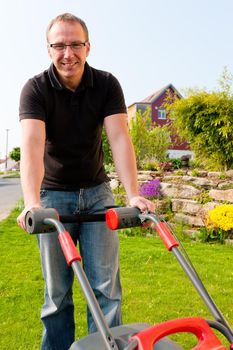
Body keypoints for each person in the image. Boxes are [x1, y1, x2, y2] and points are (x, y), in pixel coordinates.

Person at [17, 13, 155, 350]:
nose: (68, 53)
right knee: (57, 294)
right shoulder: (35, 89)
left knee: (106, 290)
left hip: (97, 193)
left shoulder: (106, 84)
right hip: (53, 197)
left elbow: (120, 137)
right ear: (48, 50)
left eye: (75, 44)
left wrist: (133, 194)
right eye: (59, 45)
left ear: (88, 46)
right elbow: (33, 145)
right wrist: (33, 202)